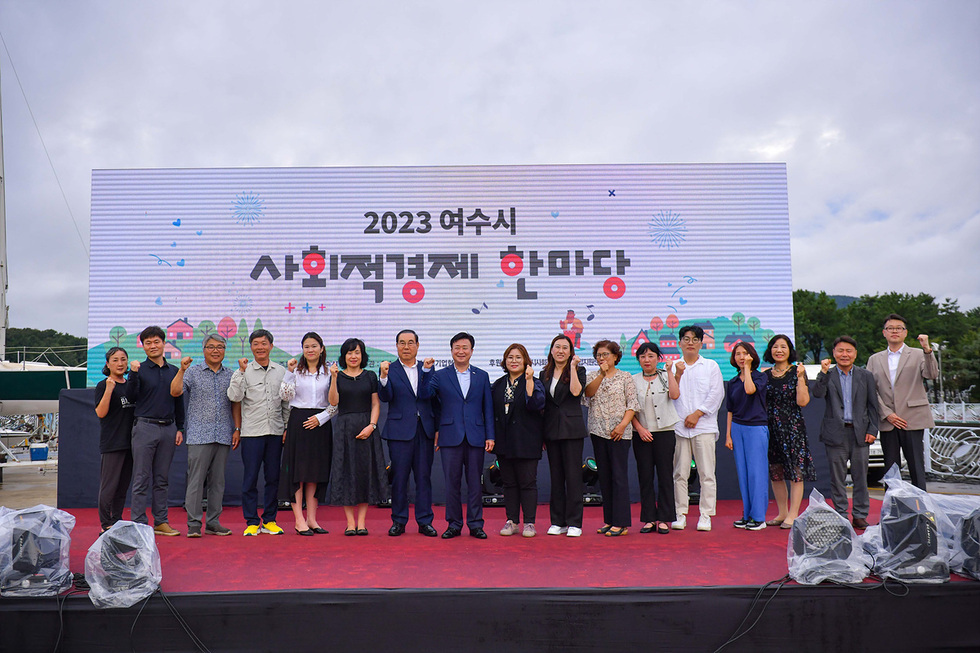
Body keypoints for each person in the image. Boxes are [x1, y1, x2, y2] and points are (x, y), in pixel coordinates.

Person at [419, 332, 495, 539]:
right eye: (457, 347)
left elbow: (487, 408)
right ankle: (454, 524)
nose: (461, 351)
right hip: (450, 435)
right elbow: (425, 395)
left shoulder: (482, 376)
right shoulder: (440, 375)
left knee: (474, 483)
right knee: (452, 483)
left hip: (476, 436)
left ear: (472, 351)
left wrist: (490, 436)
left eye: (465, 347)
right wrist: (426, 371)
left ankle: (476, 524)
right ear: (451, 350)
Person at [170, 334, 240, 538]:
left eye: (220, 347)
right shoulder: (192, 372)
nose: (216, 350)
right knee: (196, 480)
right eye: (211, 347)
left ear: (225, 350)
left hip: (224, 432)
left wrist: (237, 428)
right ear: (204, 350)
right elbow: (175, 392)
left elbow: (236, 403)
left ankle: (213, 522)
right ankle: (193, 524)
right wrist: (182, 370)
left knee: (218, 481)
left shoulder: (231, 374)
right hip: (199, 434)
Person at [812, 336, 880, 530]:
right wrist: (823, 373)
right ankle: (841, 515)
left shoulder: (865, 376)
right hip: (835, 433)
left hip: (860, 434)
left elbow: (873, 406)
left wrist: (872, 429)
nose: (844, 354)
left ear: (855, 354)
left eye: (848, 351)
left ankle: (859, 515)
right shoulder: (828, 374)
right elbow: (817, 393)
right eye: (840, 351)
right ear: (834, 353)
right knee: (837, 478)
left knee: (860, 477)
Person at [227, 329, 290, 536]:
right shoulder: (243, 370)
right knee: (250, 478)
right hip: (252, 433)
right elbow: (234, 397)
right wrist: (241, 372)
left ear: (271, 346)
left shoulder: (281, 372)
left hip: (275, 431)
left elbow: (286, 403)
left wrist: (286, 427)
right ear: (251, 347)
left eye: (264, 343)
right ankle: (252, 521)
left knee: (273, 477)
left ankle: (270, 520)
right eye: (256, 344)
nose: (260, 347)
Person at [378, 329, 439, 537]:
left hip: (424, 430)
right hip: (399, 432)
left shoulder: (427, 368)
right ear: (396, 346)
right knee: (400, 478)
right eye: (402, 343)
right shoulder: (390, 369)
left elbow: (429, 396)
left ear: (418, 345)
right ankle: (399, 521)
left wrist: (428, 373)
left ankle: (424, 521)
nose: (406, 347)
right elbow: (385, 397)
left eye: (410, 342)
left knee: (424, 477)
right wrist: (383, 377)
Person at [866, 314, 938, 491]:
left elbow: (931, 374)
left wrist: (927, 350)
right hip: (888, 420)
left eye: (899, 328)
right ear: (884, 332)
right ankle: (892, 509)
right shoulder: (875, 359)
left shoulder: (919, 354)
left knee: (916, 467)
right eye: (891, 328)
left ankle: (922, 509)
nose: (895, 331)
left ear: (905, 333)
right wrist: (886, 413)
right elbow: (870, 390)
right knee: (891, 468)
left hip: (912, 417)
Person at [125, 326, 184, 536]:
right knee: (141, 478)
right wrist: (132, 373)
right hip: (144, 428)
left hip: (169, 429)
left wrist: (180, 427)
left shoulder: (174, 371)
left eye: (156, 341)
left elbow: (178, 401)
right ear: (143, 345)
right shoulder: (138, 369)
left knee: (162, 479)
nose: (152, 346)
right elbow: (131, 397)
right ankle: (139, 523)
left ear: (163, 343)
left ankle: (161, 521)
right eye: (148, 343)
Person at [327, 338, 388, 536]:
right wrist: (334, 378)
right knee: (346, 474)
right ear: (344, 356)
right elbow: (333, 402)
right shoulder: (338, 376)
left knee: (364, 473)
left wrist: (372, 426)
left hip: (366, 427)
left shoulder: (370, 376)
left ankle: (362, 522)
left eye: (357, 353)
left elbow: (376, 404)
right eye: (349, 353)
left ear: (363, 356)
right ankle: (350, 523)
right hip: (344, 429)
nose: (353, 356)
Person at [279, 332, 336, 536]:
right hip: (299, 422)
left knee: (315, 473)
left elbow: (335, 403)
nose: (310, 350)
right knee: (298, 473)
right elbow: (285, 396)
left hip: (320, 424)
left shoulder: (330, 372)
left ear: (321, 349)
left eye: (314, 346)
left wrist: (321, 419)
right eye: (306, 347)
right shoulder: (296, 371)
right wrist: (289, 372)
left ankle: (312, 519)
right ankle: (299, 520)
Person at [671, 325, 724, 532]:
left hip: (704, 427)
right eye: (686, 339)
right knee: (679, 473)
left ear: (701, 343)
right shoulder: (673, 366)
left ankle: (705, 515)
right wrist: (685, 418)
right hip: (679, 427)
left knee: (707, 473)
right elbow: (671, 395)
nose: (690, 342)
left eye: (694, 339)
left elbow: (716, 394)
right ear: (680, 343)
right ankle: (680, 514)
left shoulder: (710, 366)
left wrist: (697, 414)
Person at [584, 340, 639, 537]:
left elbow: (632, 404)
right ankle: (610, 520)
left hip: (620, 433)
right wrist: (601, 373)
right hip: (598, 432)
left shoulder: (625, 377)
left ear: (616, 356)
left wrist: (623, 425)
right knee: (605, 477)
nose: (602, 358)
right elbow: (588, 395)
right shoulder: (592, 376)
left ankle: (622, 523)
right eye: (599, 355)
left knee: (618, 477)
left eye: (606, 354)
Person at [491, 343, 545, 538]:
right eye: (510, 357)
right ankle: (512, 521)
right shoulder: (498, 385)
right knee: (509, 483)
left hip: (527, 440)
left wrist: (529, 380)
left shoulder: (535, 382)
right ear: (505, 361)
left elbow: (536, 404)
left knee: (528, 483)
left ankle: (529, 523)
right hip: (504, 442)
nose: (514, 361)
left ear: (526, 361)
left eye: (518, 358)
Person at [762, 334, 814, 529]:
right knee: (776, 472)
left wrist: (801, 378)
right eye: (775, 347)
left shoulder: (797, 372)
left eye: (783, 347)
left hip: (792, 427)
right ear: (770, 351)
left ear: (789, 350)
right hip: (771, 428)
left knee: (795, 472)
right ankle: (782, 512)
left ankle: (793, 514)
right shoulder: (766, 375)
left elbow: (803, 402)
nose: (779, 350)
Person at [630, 342, 680, 535]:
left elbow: (675, 395)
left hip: (665, 432)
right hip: (641, 434)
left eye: (651, 356)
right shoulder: (632, 380)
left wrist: (669, 372)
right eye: (642, 357)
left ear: (658, 358)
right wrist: (640, 428)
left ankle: (665, 518)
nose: (647, 360)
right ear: (638, 360)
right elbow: (629, 408)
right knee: (645, 476)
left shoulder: (665, 376)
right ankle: (649, 519)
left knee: (666, 476)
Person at [540, 334, 587, 537]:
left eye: (565, 348)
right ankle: (557, 521)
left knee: (573, 476)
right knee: (557, 477)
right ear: (551, 350)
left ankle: (575, 522)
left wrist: (573, 368)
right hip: (551, 430)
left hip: (572, 429)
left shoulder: (579, 370)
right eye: (557, 347)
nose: (561, 351)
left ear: (571, 352)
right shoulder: (544, 374)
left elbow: (576, 392)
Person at [724, 341, 769, 531]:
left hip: (756, 427)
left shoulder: (760, 377)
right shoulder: (733, 382)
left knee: (756, 473)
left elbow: (750, 390)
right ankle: (747, 515)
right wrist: (728, 435)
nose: (741, 357)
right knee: (743, 474)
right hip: (737, 428)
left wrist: (748, 369)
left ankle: (759, 517)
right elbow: (730, 410)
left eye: (745, 353)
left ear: (752, 356)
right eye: (738, 354)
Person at [94, 347, 134, 533]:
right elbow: (101, 413)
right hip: (112, 443)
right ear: (108, 364)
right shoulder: (104, 385)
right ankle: (105, 523)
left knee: (122, 486)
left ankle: (117, 519)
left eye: (123, 359)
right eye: (115, 360)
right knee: (109, 486)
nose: (120, 363)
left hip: (132, 443)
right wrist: (110, 389)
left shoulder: (130, 384)